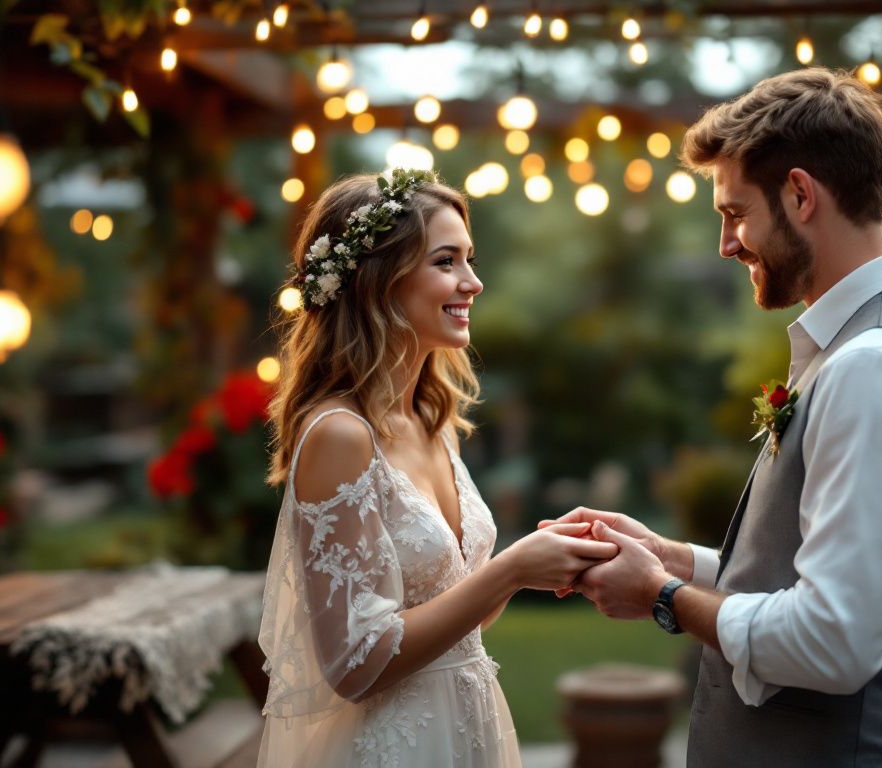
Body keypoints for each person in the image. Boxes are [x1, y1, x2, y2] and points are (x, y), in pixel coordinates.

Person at [546, 68, 882, 767]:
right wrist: (677, 561)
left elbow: (832, 640)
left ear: (799, 194)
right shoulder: (862, 351)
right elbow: (816, 574)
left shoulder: (878, 369)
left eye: (733, 213)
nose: (727, 244)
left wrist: (664, 597)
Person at [257, 168, 618, 767]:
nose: (473, 283)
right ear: (379, 281)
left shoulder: (431, 420)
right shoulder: (342, 437)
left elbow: (457, 614)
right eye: (446, 261)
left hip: (466, 730)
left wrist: (524, 562)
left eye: (469, 259)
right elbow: (354, 665)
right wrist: (507, 572)